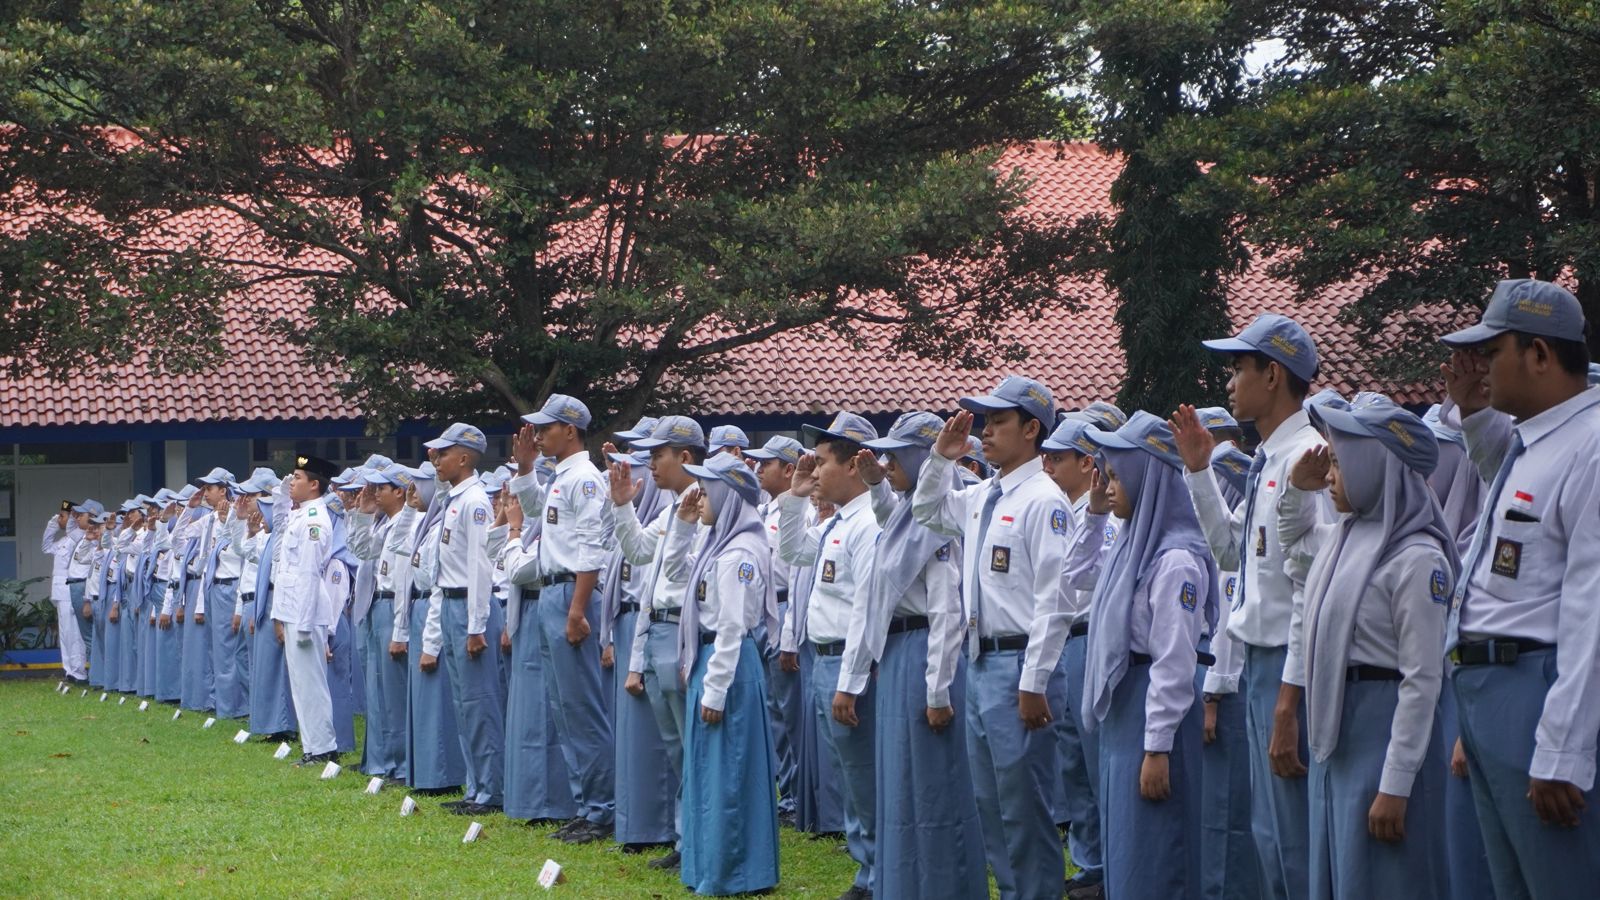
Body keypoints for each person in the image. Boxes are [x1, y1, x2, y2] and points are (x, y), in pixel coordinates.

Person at [1439, 278, 1600, 899]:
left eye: (1492, 350)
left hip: (1537, 691)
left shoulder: (1590, 446)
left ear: (1539, 354)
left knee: (1560, 880)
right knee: (1511, 885)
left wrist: (1562, 749)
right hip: (1492, 692)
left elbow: (1590, 608)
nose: (1479, 365)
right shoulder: (1535, 439)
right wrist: (1475, 414)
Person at [1171, 313, 1328, 900]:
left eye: (1239, 368)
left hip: (1291, 666)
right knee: (1271, 835)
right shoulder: (1269, 460)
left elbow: (1311, 587)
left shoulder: (1308, 459)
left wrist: (1290, 700)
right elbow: (1231, 554)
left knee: (1295, 839)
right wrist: (1198, 471)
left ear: (1273, 374)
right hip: (1263, 665)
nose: (1230, 382)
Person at [1280, 400, 1452, 900]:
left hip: (1384, 732)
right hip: (1341, 731)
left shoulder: (1417, 558)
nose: (1330, 476)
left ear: (1374, 466)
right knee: (1345, 874)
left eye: (1339, 462)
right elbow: (1291, 546)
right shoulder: (1344, 539)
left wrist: (1395, 782)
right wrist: (1297, 491)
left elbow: (1422, 680)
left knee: (1387, 878)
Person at [911, 376, 1073, 900]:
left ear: (1031, 429)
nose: (985, 431)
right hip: (982, 664)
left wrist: (1035, 680)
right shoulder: (984, 494)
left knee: (1024, 805)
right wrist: (941, 459)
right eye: (985, 421)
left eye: (999, 421)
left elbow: (1055, 600)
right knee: (993, 804)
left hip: (1019, 662)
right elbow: (926, 511)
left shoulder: (1044, 501)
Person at [1075, 411, 1219, 900]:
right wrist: (1095, 515)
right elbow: (1077, 575)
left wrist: (1157, 748)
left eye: (1117, 477)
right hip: (1126, 711)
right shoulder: (1131, 545)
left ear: (1148, 479)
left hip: (1154, 714)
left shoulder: (1175, 560)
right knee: (1127, 848)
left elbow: (1174, 662)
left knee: (1158, 854)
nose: (1109, 486)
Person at [854, 412, 988, 899]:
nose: (888, 465)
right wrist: (876, 485)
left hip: (925, 658)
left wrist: (936, 691)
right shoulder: (913, 513)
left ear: (919, 458)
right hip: (900, 655)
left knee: (932, 784)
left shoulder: (939, 525)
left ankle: (939, 885)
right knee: (900, 781)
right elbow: (894, 525)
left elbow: (946, 611)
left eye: (896, 458)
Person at [778, 411, 883, 900]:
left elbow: (865, 608)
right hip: (823, 658)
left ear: (853, 464)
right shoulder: (838, 522)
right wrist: (796, 498)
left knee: (862, 774)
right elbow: (793, 552)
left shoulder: (868, 523)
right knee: (847, 772)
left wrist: (850, 681)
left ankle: (876, 875)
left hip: (846, 663)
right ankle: (867, 869)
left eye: (822, 462)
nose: (814, 470)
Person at [669, 452, 782, 896]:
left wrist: (715, 691)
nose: (698, 499)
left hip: (727, 667)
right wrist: (682, 526)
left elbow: (733, 627)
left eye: (706, 491)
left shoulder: (739, 553)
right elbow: (676, 573)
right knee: (708, 769)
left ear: (728, 496)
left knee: (729, 771)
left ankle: (733, 871)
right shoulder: (717, 543)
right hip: (712, 661)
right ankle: (710, 866)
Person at [510, 396, 614, 841]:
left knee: (582, 707)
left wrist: (577, 610)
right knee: (564, 707)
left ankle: (602, 809)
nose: (537, 436)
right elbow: (537, 510)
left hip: (572, 591)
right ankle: (586, 804)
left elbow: (591, 548)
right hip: (553, 590)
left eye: (545, 429)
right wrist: (525, 468)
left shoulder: (585, 478)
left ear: (570, 430)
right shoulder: (561, 476)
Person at [607, 415, 708, 865]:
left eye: (659, 455)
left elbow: (688, 577)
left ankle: (697, 841)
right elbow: (639, 552)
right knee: (676, 746)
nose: (651, 465)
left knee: (692, 745)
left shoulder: (706, 506)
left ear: (685, 456)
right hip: (658, 630)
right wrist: (622, 506)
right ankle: (687, 840)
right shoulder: (671, 508)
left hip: (684, 631)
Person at [419, 423, 506, 815]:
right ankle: (476, 787)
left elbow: (479, 568)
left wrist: (476, 626)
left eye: (444, 453)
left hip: (470, 608)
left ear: (465, 457)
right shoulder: (454, 499)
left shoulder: (475, 502)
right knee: (463, 703)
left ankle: (491, 791)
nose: (436, 460)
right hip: (451, 604)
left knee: (480, 704)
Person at [1040, 415, 1110, 899]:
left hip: (1089, 638)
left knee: (1095, 756)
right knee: (1073, 761)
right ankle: (1089, 861)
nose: (1048, 466)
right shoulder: (1063, 510)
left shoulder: (1103, 515)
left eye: (1058, 458)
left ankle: (1109, 863)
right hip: (1064, 640)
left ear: (1087, 463)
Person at [598, 444, 677, 852]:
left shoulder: (677, 514)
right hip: (634, 623)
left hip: (659, 630)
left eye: (644, 461)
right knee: (634, 735)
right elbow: (627, 552)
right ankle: (639, 824)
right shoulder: (657, 516)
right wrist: (621, 505)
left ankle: (661, 827)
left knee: (658, 739)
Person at [494, 447, 578, 825]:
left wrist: (513, 530)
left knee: (545, 713)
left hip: (543, 607)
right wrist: (507, 522)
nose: (513, 491)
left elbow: (519, 569)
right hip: (526, 613)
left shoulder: (547, 528)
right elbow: (497, 556)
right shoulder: (530, 525)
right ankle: (529, 797)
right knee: (527, 714)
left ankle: (551, 802)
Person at [745, 435, 806, 824]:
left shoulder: (800, 512)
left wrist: (790, 634)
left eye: (766, 463)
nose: (758, 469)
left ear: (788, 469)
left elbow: (796, 574)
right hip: (764, 609)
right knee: (773, 709)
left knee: (790, 710)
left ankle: (799, 796)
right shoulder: (765, 511)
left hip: (785, 607)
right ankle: (787, 791)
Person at [396, 462, 468, 792]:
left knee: (438, 699)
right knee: (424, 700)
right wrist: (409, 509)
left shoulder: (441, 523)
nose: (412, 492)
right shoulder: (425, 523)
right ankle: (426, 772)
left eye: (418, 486)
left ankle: (442, 776)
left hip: (434, 606)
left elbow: (438, 577)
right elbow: (399, 548)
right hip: (421, 605)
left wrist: (431, 643)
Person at [271, 454, 344, 767]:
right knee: (301, 685)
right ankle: (311, 747)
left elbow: (309, 574)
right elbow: (284, 562)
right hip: (294, 611)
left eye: (298, 477)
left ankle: (324, 748)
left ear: (314, 485)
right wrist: (281, 616)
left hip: (307, 615)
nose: (292, 482)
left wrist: (302, 623)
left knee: (312, 684)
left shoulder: (314, 519)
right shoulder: (300, 515)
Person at [348, 467, 417, 781]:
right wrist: (362, 515)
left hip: (392, 604)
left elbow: (403, 578)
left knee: (393, 691)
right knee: (377, 690)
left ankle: (399, 764)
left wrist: (400, 628)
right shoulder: (386, 523)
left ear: (399, 491)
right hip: (376, 604)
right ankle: (381, 759)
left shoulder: (409, 522)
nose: (374, 494)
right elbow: (362, 550)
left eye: (381, 488)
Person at [41, 502, 88, 683]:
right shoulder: (63, 541)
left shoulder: (79, 537)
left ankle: (78, 672)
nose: (59, 518)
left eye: (62, 515)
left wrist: (70, 520)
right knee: (65, 634)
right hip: (60, 593)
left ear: (73, 518)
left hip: (71, 592)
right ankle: (69, 670)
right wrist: (53, 522)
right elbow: (46, 547)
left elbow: (72, 530)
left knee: (74, 634)